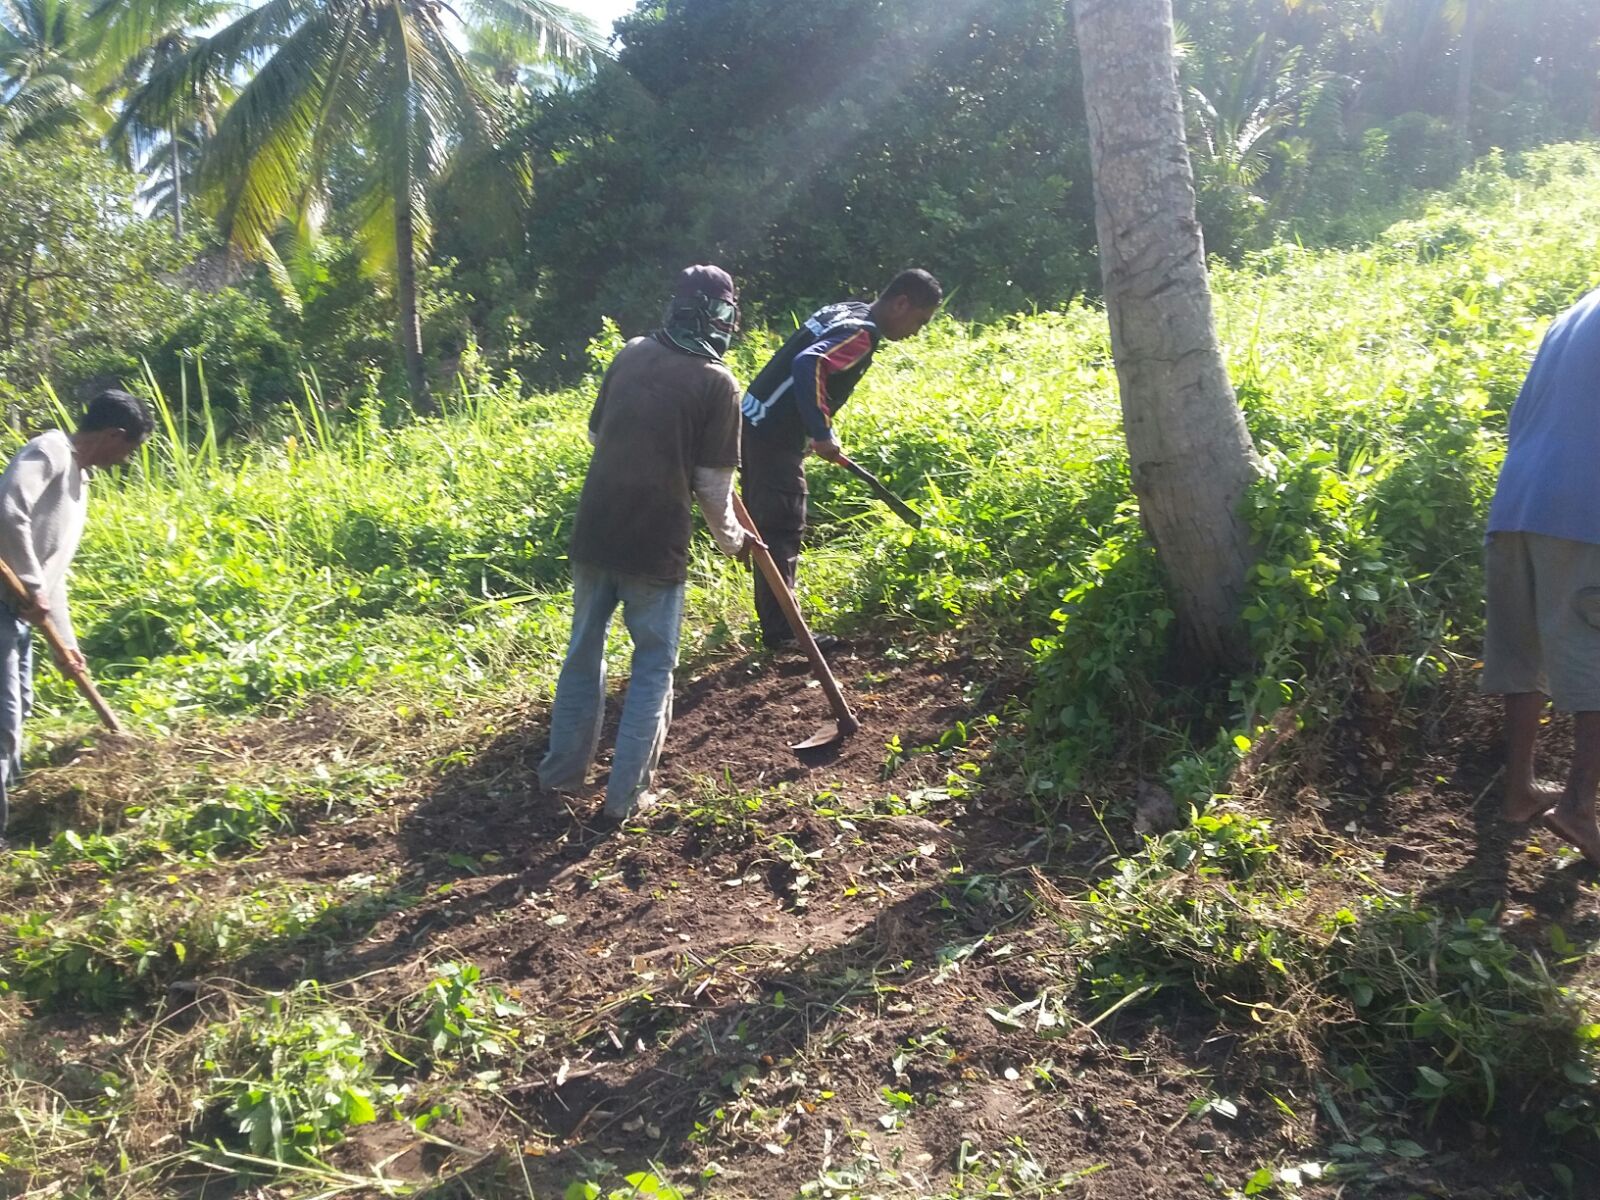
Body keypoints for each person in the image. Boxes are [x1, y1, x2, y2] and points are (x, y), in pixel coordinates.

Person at [539, 266, 753, 823]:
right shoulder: (717, 383)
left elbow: (596, 434)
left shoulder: (631, 353)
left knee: (582, 655)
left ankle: (561, 775)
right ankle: (625, 799)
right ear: (721, 317)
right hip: (655, 546)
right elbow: (712, 487)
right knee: (654, 665)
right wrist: (735, 542)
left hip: (596, 530)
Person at [739, 268, 943, 651]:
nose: (917, 331)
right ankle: (785, 634)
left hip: (754, 422)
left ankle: (777, 628)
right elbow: (808, 364)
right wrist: (821, 432)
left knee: (770, 528)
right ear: (901, 303)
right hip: (773, 437)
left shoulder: (845, 310)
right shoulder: (861, 333)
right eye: (920, 320)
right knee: (782, 527)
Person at [0, 389, 153, 846]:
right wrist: (28, 580)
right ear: (113, 435)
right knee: (3, 717)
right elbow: (8, 508)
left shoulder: (80, 485)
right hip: (5, 601)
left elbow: (53, 576)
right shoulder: (49, 449)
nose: (126, 460)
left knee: (19, 707)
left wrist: (66, 643)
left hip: (20, 613)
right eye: (130, 449)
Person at [1483, 285, 1600, 864]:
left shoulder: (1574, 313)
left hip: (1516, 500)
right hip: (1583, 507)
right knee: (1595, 657)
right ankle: (1579, 807)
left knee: (1519, 652)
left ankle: (1520, 791)